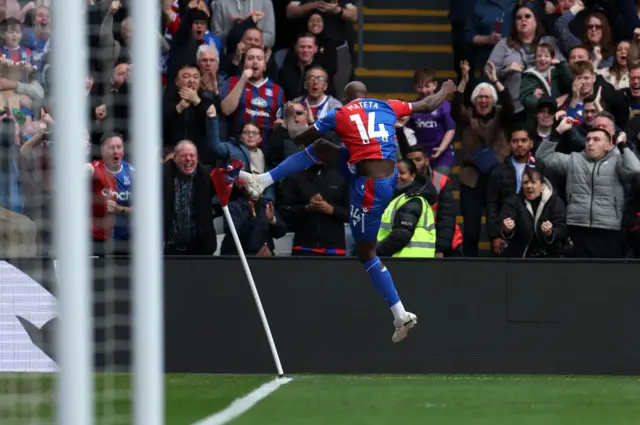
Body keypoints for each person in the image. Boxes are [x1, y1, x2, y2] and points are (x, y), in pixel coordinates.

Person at [240, 79, 457, 343]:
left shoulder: (340, 113)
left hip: (368, 188)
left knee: (366, 253)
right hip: (379, 178)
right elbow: (427, 103)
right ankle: (262, 180)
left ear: (345, 97)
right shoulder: (387, 105)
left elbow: (298, 136)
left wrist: (288, 116)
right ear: (367, 94)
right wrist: (446, 89)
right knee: (321, 148)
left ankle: (400, 315)